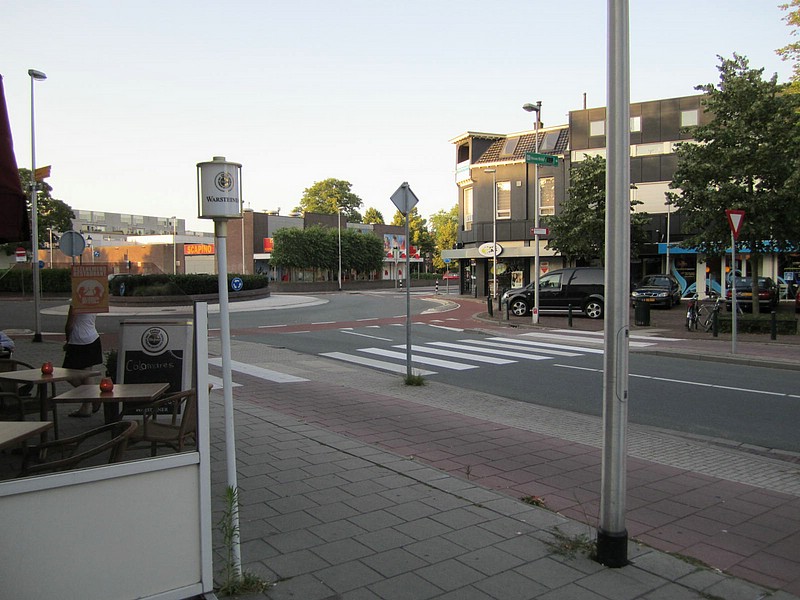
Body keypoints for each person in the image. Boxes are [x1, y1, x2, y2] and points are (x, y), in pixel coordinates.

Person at [63, 304, 104, 418]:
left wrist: (68, 340)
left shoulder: (76, 300)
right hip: (93, 337)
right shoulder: (94, 300)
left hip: (78, 340)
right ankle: (86, 407)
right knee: (87, 374)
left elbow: (70, 325)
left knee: (68, 374)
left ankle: (93, 397)